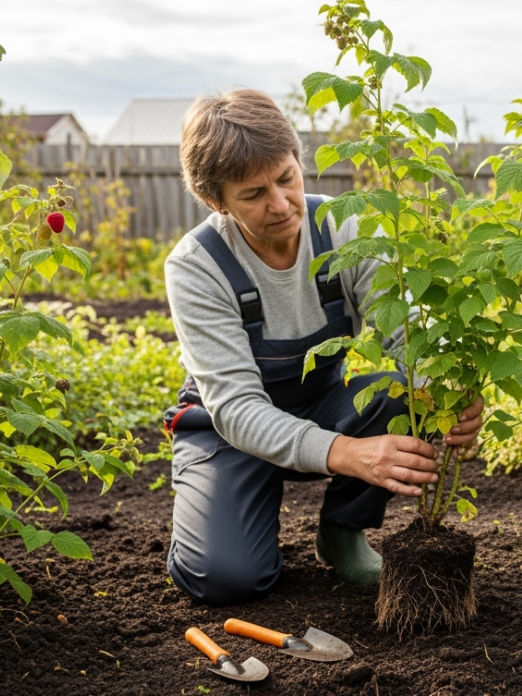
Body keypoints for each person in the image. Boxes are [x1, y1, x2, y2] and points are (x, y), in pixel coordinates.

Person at [162, 89, 484, 606]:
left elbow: (407, 336)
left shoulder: (344, 227)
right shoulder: (197, 267)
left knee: (397, 385)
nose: (281, 203)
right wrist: (347, 453)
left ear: (297, 160)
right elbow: (239, 408)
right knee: (226, 578)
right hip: (230, 428)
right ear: (215, 200)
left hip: (328, 398)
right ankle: (218, 514)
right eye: (253, 195)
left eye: (286, 178)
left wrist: (452, 397)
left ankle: (342, 531)